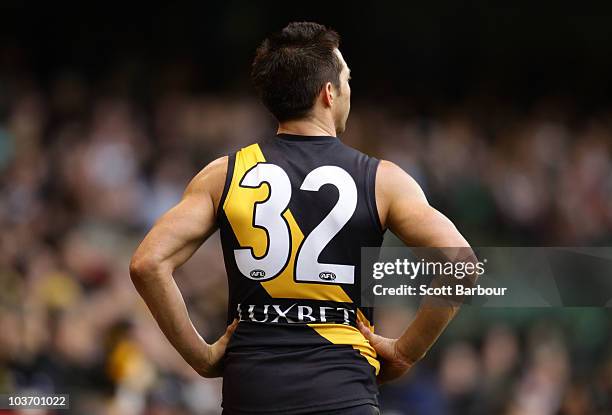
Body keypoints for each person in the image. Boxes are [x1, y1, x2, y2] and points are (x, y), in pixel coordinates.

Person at [130, 21, 471, 415]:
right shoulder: (380, 179)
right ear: (328, 94)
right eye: (346, 78)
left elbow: (147, 263)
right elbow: (459, 263)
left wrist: (201, 357)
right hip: (344, 392)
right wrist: (406, 351)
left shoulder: (223, 174)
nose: (348, 88)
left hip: (252, 394)